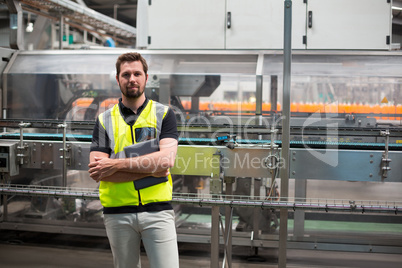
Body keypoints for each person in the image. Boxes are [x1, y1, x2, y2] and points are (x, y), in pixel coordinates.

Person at [88, 52, 179, 268]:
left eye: (137, 73)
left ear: (146, 78)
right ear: (118, 79)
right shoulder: (104, 120)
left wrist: (115, 165)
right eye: (126, 74)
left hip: (158, 212)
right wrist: (151, 168)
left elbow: (165, 161)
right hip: (118, 213)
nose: (132, 79)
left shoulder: (164, 114)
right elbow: (98, 172)